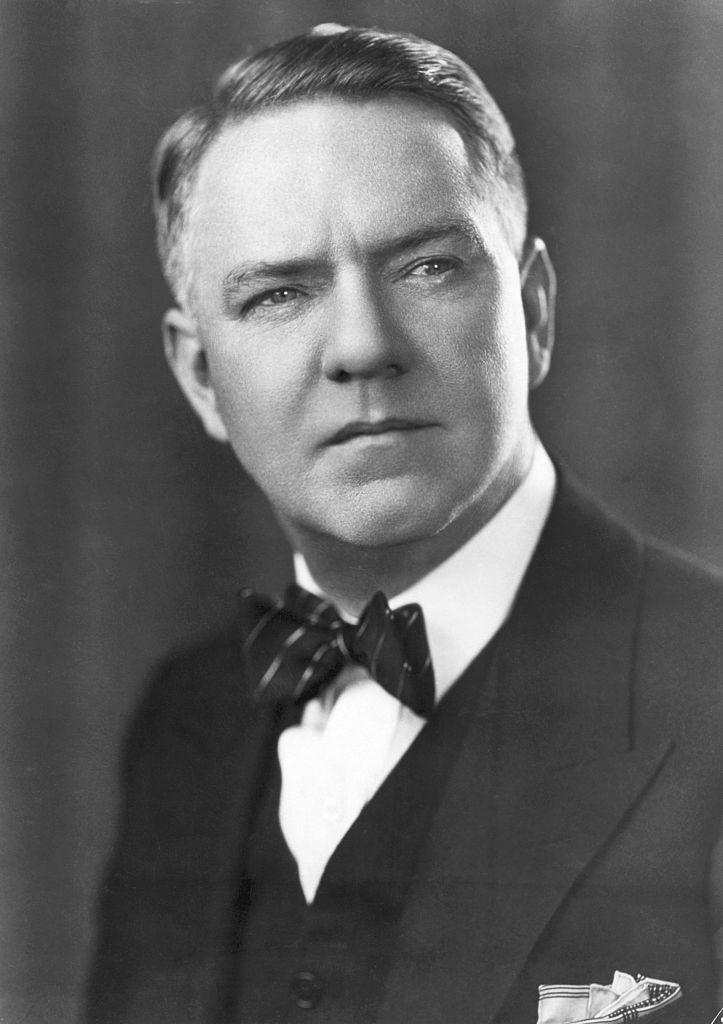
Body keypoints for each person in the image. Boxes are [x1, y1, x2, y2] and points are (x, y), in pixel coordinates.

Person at [86, 24, 723, 1024]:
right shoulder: (184, 720)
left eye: (426, 267)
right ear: (201, 375)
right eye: (279, 293)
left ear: (537, 311)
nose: (361, 347)